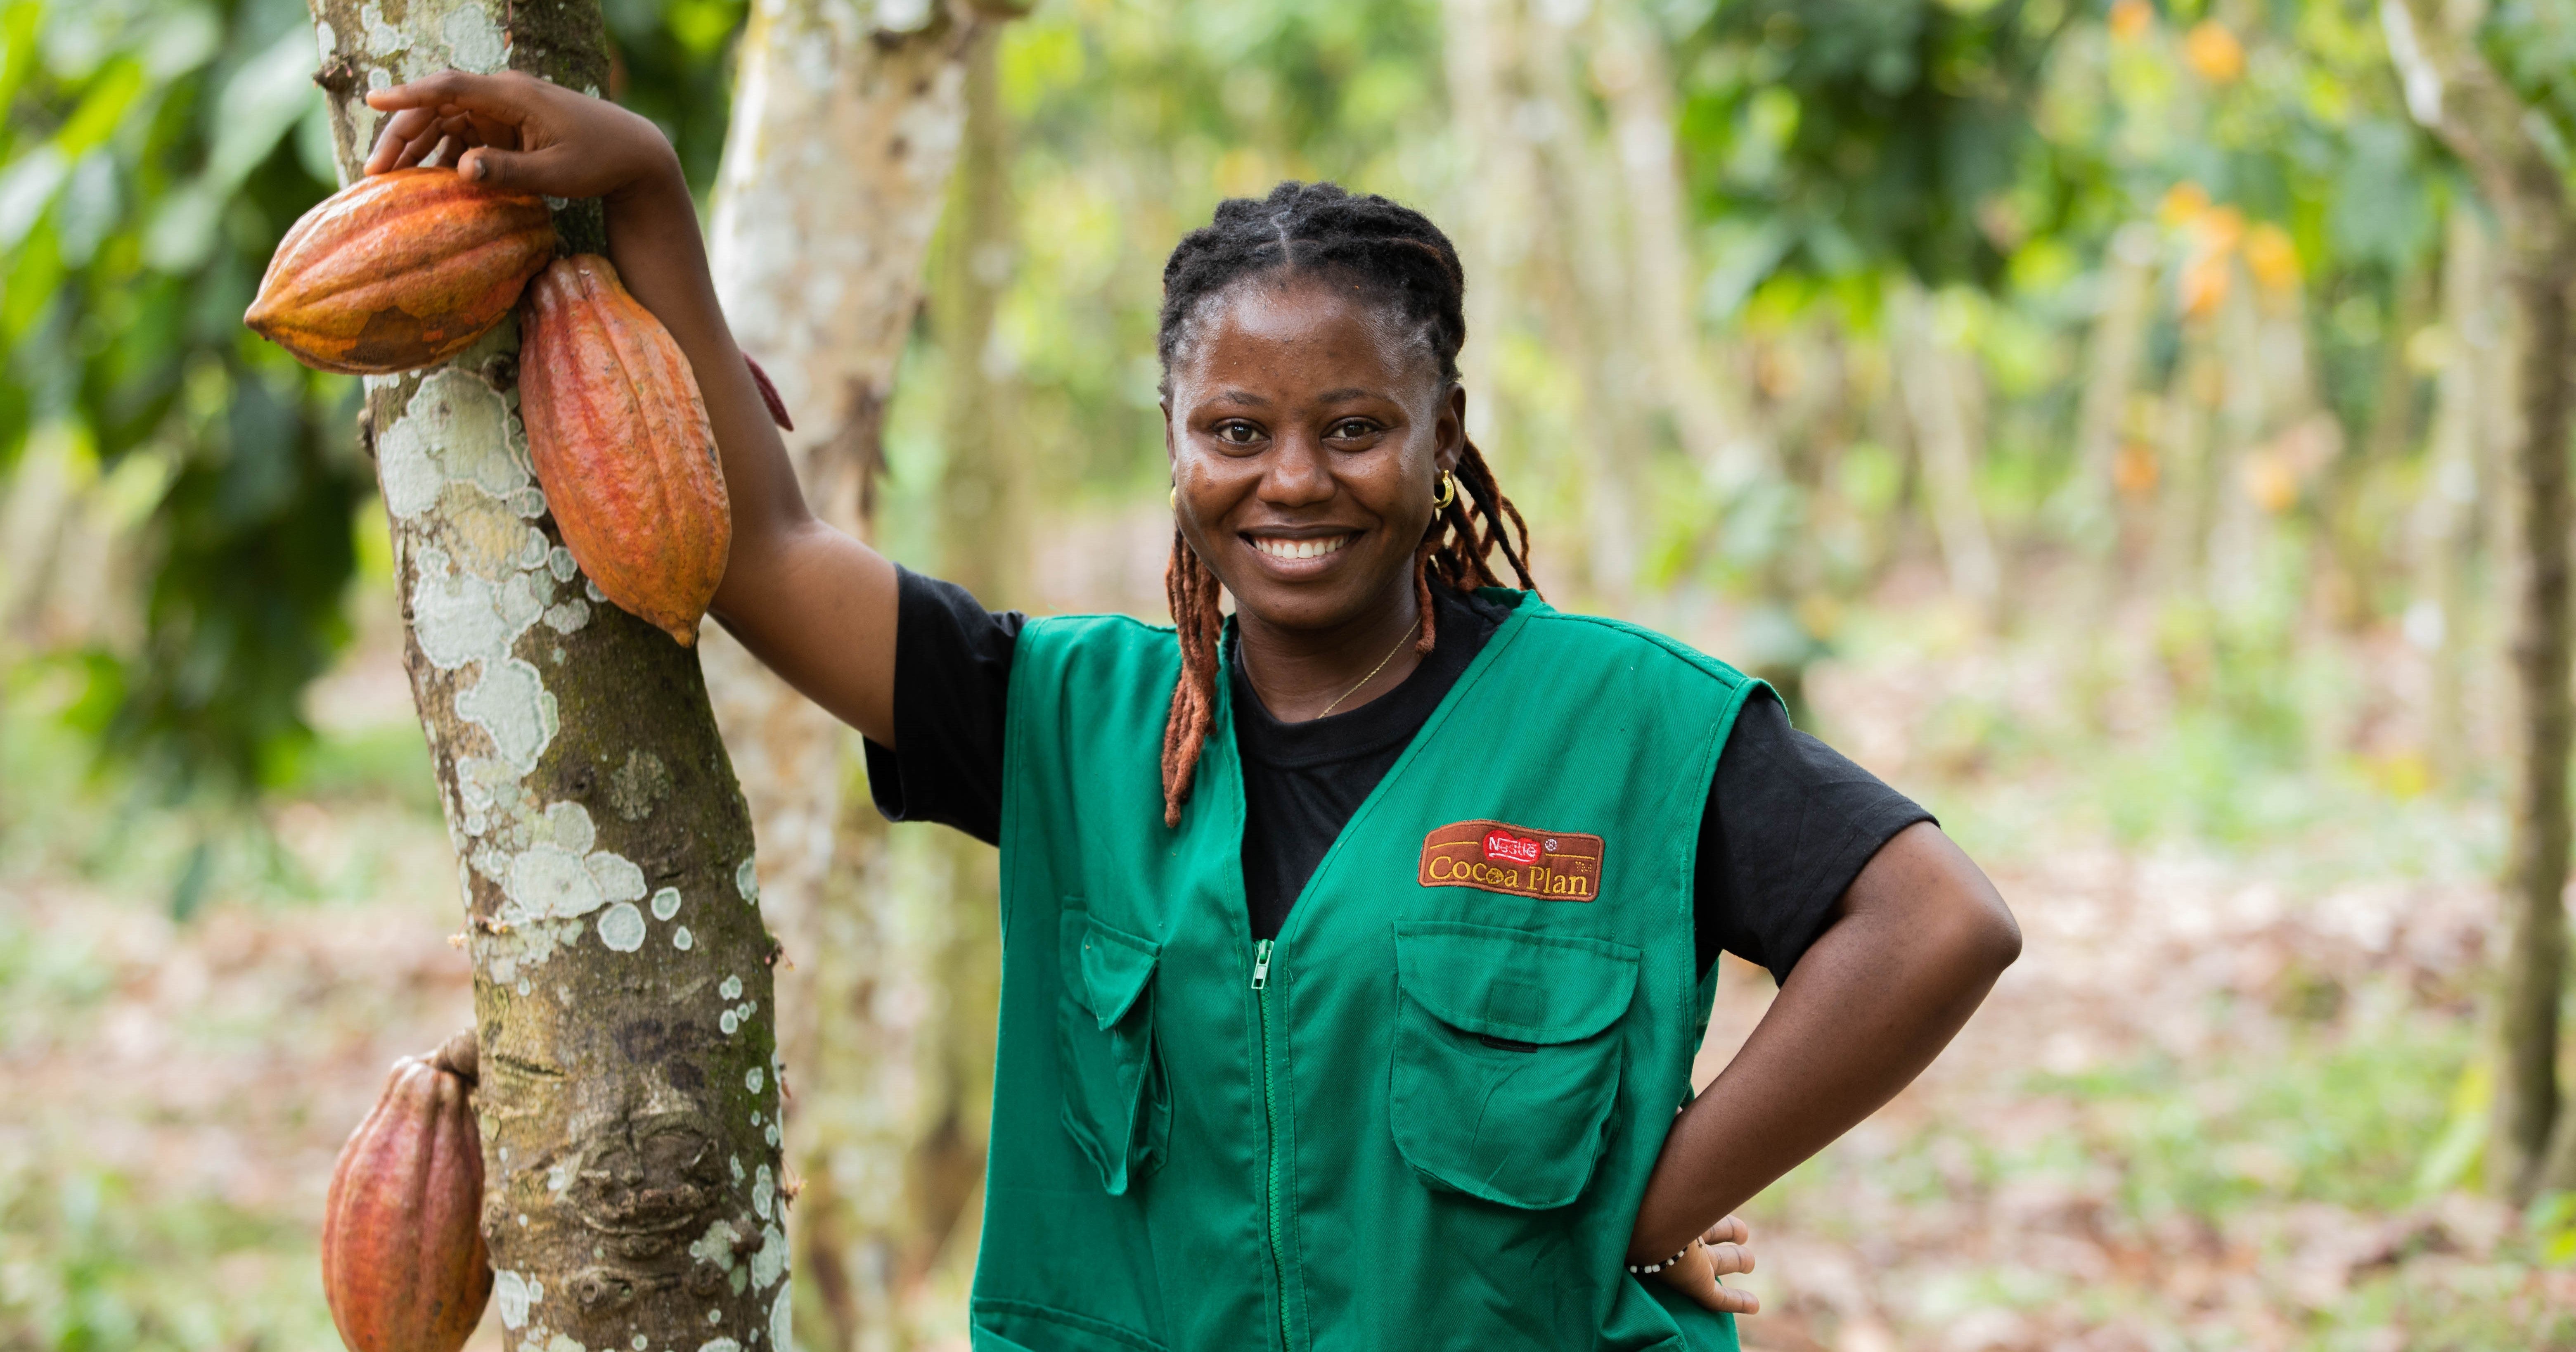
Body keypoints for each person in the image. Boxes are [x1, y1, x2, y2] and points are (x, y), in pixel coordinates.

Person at [364, 70, 2023, 1352]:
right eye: (1236, 428)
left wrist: (1664, 1199)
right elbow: (761, 551)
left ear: (1447, 430)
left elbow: (1934, 921)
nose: (1294, 480)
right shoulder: (1063, 719)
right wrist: (646, 183)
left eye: (1357, 425)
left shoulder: (1625, 727)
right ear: (1173, 435)